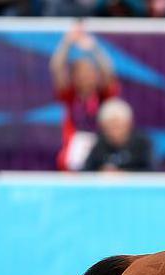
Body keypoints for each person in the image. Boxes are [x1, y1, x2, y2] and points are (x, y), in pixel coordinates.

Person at [50, 21, 120, 171]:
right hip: (74, 149)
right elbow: (56, 67)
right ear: (74, 77)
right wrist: (67, 43)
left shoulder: (103, 95)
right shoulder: (70, 95)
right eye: (80, 73)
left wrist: (94, 48)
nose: (85, 77)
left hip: (101, 146)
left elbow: (108, 71)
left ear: (95, 75)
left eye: (89, 72)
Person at [84, 98, 152, 172]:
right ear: (103, 127)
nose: (115, 131)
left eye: (118, 126)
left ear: (128, 124)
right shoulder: (99, 143)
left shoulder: (142, 143)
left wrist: (125, 173)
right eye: (111, 126)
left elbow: (154, 171)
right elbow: (85, 171)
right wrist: (101, 171)